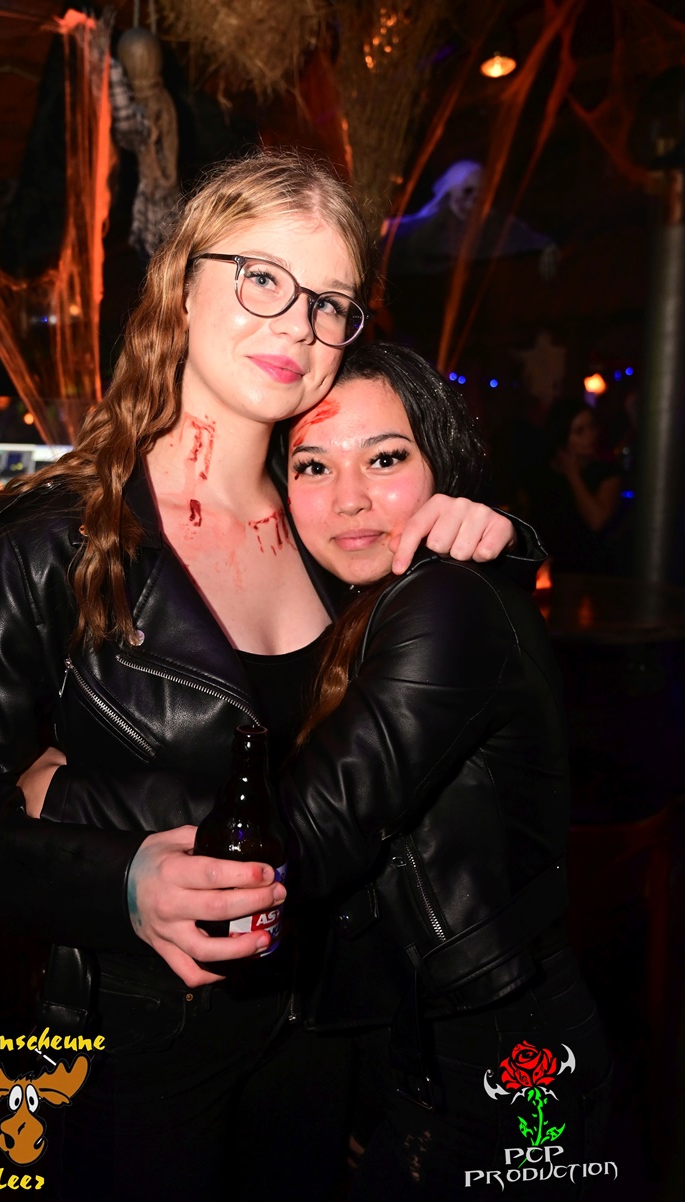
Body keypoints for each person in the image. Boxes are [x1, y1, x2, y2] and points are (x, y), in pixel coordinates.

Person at [0, 151, 541, 1201]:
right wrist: (124, 880)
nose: (298, 325)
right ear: (181, 285)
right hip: (146, 1039)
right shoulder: (59, 538)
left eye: (329, 302)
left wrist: (492, 540)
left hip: (332, 1033)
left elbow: (413, 743)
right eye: (262, 278)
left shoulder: (341, 528)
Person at [272, 343, 612, 1199]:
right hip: (433, 1040)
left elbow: (308, 831)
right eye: (313, 465)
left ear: (441, 465)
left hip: (499, 1054)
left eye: (385, 458)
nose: (349, 496)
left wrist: (75, 796)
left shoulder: (444, 598)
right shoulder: (353, 604)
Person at [527, 397, 623, 574]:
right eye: (580, 431)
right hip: (549, 569)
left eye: (592, 427)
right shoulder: (541, 473)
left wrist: (573, 475)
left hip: (594, 571)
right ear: (562, 436)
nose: (590, 435)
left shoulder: (607, 472)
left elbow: (597, 521)